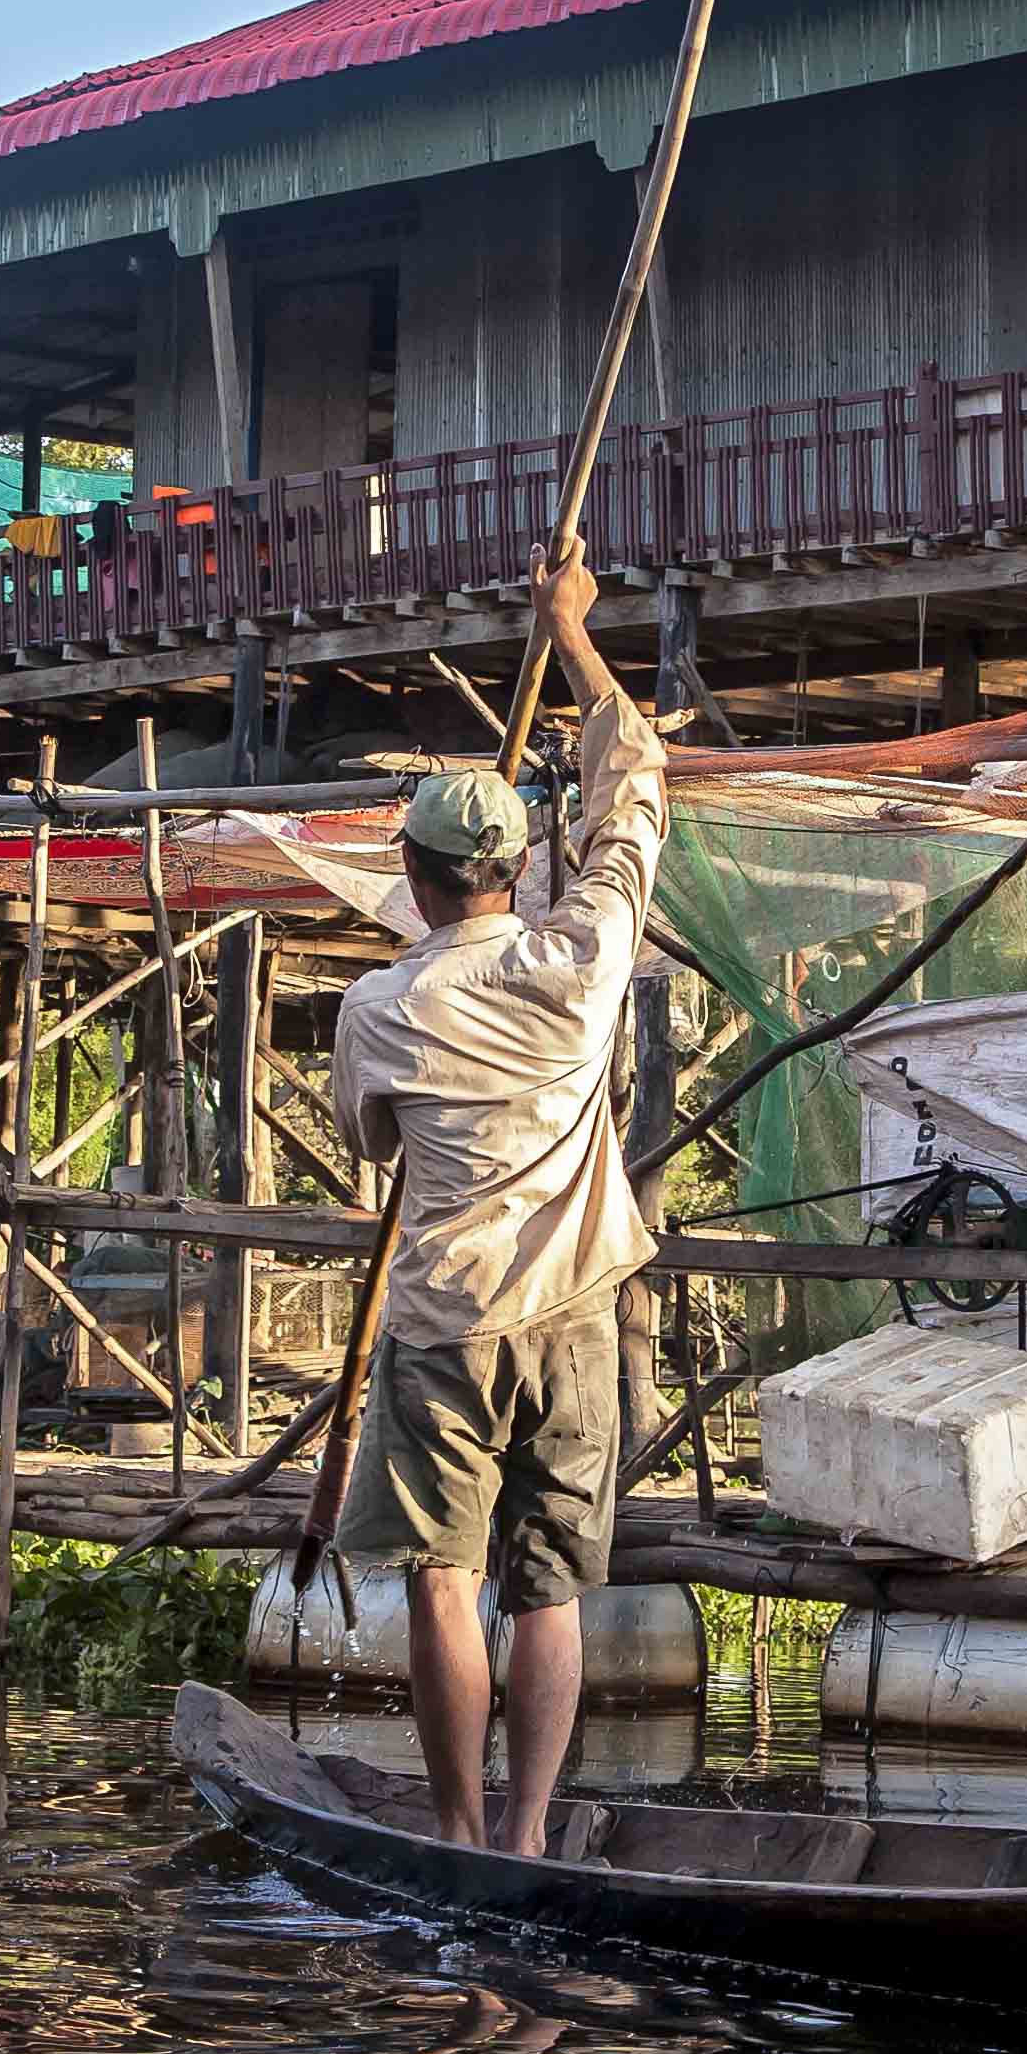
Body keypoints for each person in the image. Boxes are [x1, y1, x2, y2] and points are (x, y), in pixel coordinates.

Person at [328, 541, 669, 1854]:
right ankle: (527, 1832)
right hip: (576, 1312)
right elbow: (633, 777)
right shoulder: (584, 954)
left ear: (416, 883)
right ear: (519, 869)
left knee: (445, 1578)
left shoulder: (382, 1003)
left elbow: (370, 1141)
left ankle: (463, 1833)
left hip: (448, 1329)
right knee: (547, 1591)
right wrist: (576, 632)